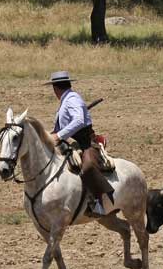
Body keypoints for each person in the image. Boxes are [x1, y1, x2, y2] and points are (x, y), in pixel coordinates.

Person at [46, 71, 114, 216]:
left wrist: (59, 135)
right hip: (70, 140)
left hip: (85, 142)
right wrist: (55, 133)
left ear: (55, 88)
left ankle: (99, 203)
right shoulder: (67, 99)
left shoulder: (72, 99)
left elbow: (79, 121)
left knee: (88, 167)